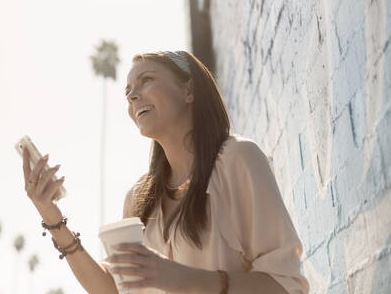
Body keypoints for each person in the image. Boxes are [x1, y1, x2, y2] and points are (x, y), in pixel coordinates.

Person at [22, 51, 310, 293]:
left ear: (188, 90)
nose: (132, 96)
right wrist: (51, 214)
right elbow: (113, 288)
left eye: (145, 80)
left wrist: (180, 278)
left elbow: (284, 285)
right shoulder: (138, 197)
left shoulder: (240, 160)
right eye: (127, 92)